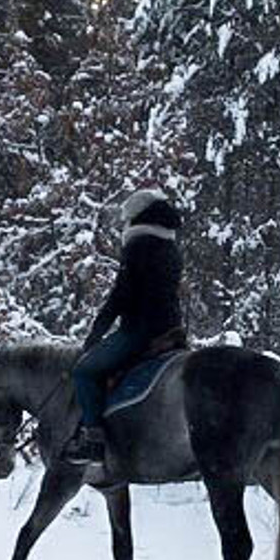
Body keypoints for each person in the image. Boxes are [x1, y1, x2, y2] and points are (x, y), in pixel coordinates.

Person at [66, 190, 185, 463]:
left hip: (140, 330)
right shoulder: (170, 247)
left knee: (84, 371)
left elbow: (122, 294)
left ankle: (93, 440)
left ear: (136, 217)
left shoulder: (138, 246)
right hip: (171, 329)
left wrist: (96, 333)